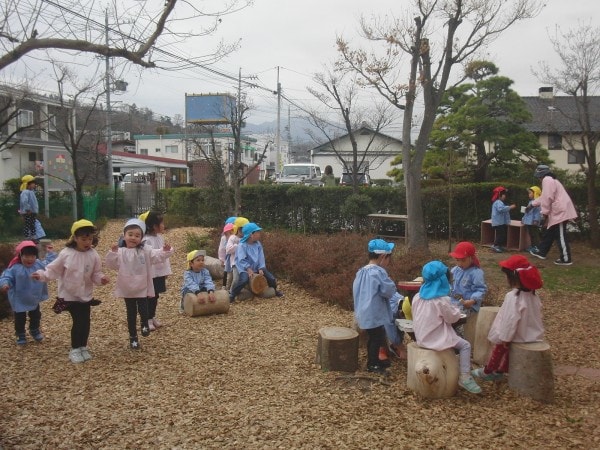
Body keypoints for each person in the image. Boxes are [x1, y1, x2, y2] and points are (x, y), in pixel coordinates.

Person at [32, 219, 109, 363]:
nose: (87, 242)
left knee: (85, 322)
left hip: (85, 295)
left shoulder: (93, 255)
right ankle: (75, 348)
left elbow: (96, 273)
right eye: (83, 239)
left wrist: (101, 279)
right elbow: (54, 269)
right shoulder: (66, 254)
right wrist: (42, 275)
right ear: (75, 238)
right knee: (79, 321)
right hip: (69, 295)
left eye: (90, 238)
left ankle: (83, 347)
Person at [411, 260, 481, 394]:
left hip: (421, 338)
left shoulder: (418, 297)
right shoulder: (441, 301)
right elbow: (452, 318)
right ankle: (465, 376)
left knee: (454, 337)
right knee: (465, 345)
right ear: (443, 280)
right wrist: (456, 309)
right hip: (436, 339)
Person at [472, 255, 544, 382]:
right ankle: (501, 370)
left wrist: (505, 338)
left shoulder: (513, 297)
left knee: (499, 348)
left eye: (507, 276)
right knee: (507, 351)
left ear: (514, 278)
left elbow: (510, 321)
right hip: (532, 335)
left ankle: (489, 370)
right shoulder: (533, 295)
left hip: (517, 335)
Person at [105, 218, 173, 349]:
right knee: (130, 313)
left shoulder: (145, 250)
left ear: (141, 238)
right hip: (127, 288)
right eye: (130, 234)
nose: (133, 238)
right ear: (124, 236)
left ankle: (144, 324)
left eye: (137, 235)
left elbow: (157, 255)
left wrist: (166, 250)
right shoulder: (121, 252)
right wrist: (112, 252)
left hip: (141, 286)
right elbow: (112, 264)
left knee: (143, 308)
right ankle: (133, 337)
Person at [353, 239, 403, 374]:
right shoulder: (378, 272)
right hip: (374, 313)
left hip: (363, 311)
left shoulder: (361, 271)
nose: (388, 262)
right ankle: (372, 364)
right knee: (376, 338)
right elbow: (388, 291)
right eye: (388, 259)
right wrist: (392, 285)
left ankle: (375, 360)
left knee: (375, 337)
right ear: (382, 257)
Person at [0, 241, 56, 345]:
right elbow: (6, 276)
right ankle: (20, 334)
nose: (30, 259)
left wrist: (51, 253)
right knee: (20, 318)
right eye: (26, 256)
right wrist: (4, 284)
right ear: (20, 255)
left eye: (32, 256)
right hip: (19, 298)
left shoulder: (38, 264)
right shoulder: (15, 268)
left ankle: (34, 329)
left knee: (36, 315)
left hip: (33, 297)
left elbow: (49, 265)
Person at [529, 164, 578, 265]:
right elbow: (544, 197)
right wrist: (532, 204)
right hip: (559, 211)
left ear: (540, 174)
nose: (538, 179)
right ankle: (542, 252)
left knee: (560, 235)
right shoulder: (551, 180)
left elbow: (547, 198)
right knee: (550, 233)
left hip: (560, 212)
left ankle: (566, 259)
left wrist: (544, 214)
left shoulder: (547, 180)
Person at [229, 222, 283, 302]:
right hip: (245, 268)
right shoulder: (242, 245)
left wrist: (261, 267)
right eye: (257, 232)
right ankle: (233, 294)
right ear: (251, 235)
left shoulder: (258, 244)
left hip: (257, 266)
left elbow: (261, 257)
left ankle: (274, 290)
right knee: (243, 280)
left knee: (271, 278)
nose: (259, 234)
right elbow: (241, 259)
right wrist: (248, 269)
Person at [139, 210, 173, 331]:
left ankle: (152, 316)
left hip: (159, 273)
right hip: (151, 274)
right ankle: (146, 319)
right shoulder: (147, 240)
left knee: (156, 295)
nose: (163, 225)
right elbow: (151, 257)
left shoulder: (159, 237)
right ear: (154, 226)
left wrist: (165, 272)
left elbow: (164, 258)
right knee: (150, 296)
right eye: (161, 223)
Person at [449, 241, 487, 321]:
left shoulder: (476, 273)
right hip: (454, 304)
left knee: (461, 326)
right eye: (457, 260)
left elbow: (480, 289)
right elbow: (449, 284)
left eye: (463, 260)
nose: (459, 263)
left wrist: (472, 300)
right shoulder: (455, 270)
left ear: (471, 258)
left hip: (468, 307)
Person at [225, 217, 248, 292]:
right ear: (238, 229)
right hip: (235, 262)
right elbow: (228, 250)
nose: (244, 231)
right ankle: (232, 292)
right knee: (236, 279)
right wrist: (238, 246)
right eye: (242, 229)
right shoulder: (232, 237)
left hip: (245, 262)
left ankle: (239, 291)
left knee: (244, 278)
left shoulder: (246, 239)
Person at [490, 186, 516, 253]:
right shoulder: (498, 202)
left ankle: (499, 246)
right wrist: (510, 207)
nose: (505, 196)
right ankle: (495, 246)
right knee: (500, 235)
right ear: (499, 195)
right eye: (504, 195)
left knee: (502, 234)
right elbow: (501, 209)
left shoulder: (499, 202)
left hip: (499, 222)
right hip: (498, 222)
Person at [19, 175, 39, 242]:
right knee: (27, 225)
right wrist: (27, 209)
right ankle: (27, 237)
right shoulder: (25, 192)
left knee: (32, 224)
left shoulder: (31, 192)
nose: (34, 185)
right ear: (28, 184)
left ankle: (33, 237)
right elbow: (24, 201)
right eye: (33, 183)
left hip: (32, 212)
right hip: (28, 212)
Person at [522, 186, 542, 253]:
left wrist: (536, 220)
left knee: (534, 235)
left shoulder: (537, 203)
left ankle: (536, 247)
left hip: (533, 222)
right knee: (531, 234)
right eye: (529, 193)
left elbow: (538, 212)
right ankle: (533, 246)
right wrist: (523, 219)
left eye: (530, 193)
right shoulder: (530, 202)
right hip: (529, 222)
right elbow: (526, 213)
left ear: (535, 193)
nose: (529, 194)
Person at [219, 222, 235, 289]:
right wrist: (222, 260)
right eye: (227, 234)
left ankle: (231, 288)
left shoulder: (235, 239)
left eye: (231, 233)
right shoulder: (224, 239)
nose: (229, 236)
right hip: (228, 259)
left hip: (235, 260)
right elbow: (221, 250)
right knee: (227, 273)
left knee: (234, 275)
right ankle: (225, 286)